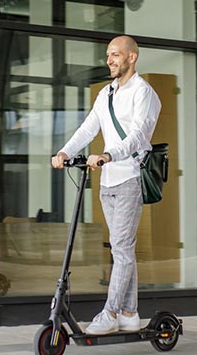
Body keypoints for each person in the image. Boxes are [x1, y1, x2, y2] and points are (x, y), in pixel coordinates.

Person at [51, 35, 160, 335]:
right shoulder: (106, 93)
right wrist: (65, 152)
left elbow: (139, 135)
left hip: (129, 177)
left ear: (132, 57)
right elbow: (89, 127)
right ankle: (129, 312)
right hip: (107, 180)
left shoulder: (144, 93)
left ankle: (110, 312)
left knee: (121, 249)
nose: (109, 60)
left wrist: (110, 154)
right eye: (108, 55)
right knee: (122, 250)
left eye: (115, 54)